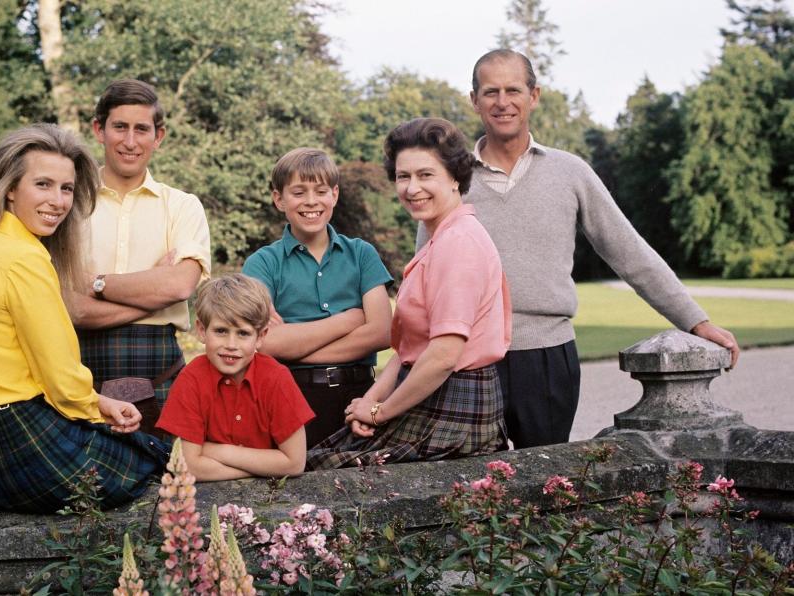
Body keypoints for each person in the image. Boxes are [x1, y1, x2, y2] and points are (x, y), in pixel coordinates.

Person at [417, 49, 741, 449]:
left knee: (546, 484)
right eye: (491, 92)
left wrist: (696, 321)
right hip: (468, 360)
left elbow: (629, 252)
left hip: (548, 356)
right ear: (474, 100)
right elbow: (425, 278)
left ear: (534, 96)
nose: (503, 102)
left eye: (513, 90)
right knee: (471, 490)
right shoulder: (452, 179)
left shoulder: (570, 172)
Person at [0, 124, 168, 513]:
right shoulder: (24, 259)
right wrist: (98, 406)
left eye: (66, 188)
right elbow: (62, 381)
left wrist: (96, 405)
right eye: (43, 184)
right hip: (20, 444)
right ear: (10, 188)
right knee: (154, 459)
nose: (58, 201)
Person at [307, 118, 511, 470]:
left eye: (425, 175)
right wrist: (368, 404)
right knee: (317, 466)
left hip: (455, 404)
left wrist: (380, 411)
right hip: (428, 394)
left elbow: (443, 356)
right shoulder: (441, 239)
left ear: (455, 178)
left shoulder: (459, 242)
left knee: (321, 473)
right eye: (404, 177)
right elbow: (408, 352)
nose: (412, 188)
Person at [65, 79, 211, 430]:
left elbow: (179, 288)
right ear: (99, 130)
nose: (130, 142)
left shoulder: (183, 206)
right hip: (81, 371)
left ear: (158, 136)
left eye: (141, 129)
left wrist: (95, 283)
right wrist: (151, 293)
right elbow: (71, 308)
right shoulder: (68, 204)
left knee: (171, 481)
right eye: (120, 127)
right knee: (86, 485)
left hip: (162, 370)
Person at [242, 148, 393, 447]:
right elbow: (264, 342)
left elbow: (383, 332)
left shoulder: (361, 254)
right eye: (298, 192)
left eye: (320, 191)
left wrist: (293, 349)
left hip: (358, 396)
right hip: (290, 396)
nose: (311, 201)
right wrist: (350, 319)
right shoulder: (261, 264)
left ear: (334, 195)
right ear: (279, 199)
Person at [155, 274, 315, 481]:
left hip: (273, 496)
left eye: (243, 333)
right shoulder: (191, 379)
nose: (231, 344)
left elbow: (294, 463)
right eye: (221, 331)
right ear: (202, 331)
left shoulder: (276, 378)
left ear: (261, 336)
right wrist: (262, 469)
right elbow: (188, 466)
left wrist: (218, 452)